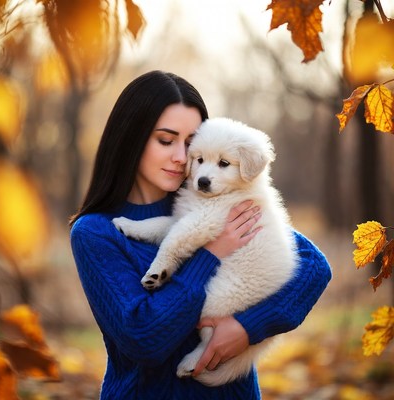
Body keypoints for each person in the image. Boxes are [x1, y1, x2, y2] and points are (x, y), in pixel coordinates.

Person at [69, 70, 331, 400]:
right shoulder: (96, 232)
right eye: (166, 141)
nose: (182, 158)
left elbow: (313, 267)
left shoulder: (216, 198)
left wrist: (247, 328)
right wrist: (211, 254)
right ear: (131, 139)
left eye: (190, 143)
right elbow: (144, 339)